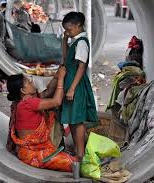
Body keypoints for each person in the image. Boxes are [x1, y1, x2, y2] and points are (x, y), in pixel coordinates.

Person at [6, 66, 76, 172]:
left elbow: (45, 94)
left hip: (30, 150)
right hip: (33, 153)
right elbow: (56, 101)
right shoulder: (28, 103)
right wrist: (61, 79)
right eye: (28, 82)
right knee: (74, 164)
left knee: (70, 159)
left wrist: (56, 77)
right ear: (23, 90)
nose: (32, 82)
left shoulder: (23, 102)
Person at [60, 12, 98, 162]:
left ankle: (80, 153)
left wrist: (72, 88)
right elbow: (65, 56)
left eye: (69, 30)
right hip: (70, 82)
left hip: (76, 84)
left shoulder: (82, 42)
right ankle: (77, 150)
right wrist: (64, 40)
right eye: (66, 31)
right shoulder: (74, 40)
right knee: (72, 118)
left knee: (77, 119)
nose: (68, 33)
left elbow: (82, 67)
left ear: (78, 25)